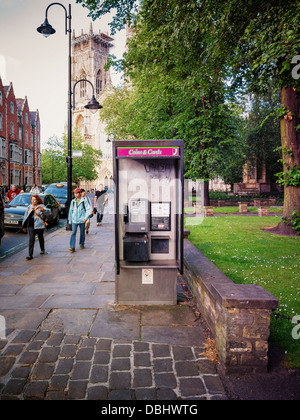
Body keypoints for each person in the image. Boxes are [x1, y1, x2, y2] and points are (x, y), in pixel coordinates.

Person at [22, 194, 50, 261]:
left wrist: (43, 210)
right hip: (31, 226)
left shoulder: (41, 207)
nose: (33, 201)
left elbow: (49, 212)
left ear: (37, 201)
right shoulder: (29, 207)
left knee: (40, 237)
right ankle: (30, 255)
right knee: (31, 240)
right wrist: (24, 226)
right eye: (32, 200)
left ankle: (42, 249)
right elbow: (25, 217)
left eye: (35, 200)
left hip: (39, 225)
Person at [68, 188, 91, 252]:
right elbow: (71, 211)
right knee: (73, 232)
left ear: (80, 193)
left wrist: (86, 218)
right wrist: (70, 220)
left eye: (76, 193)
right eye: (74, 193)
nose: (75, 194)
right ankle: (72, 246)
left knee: (82, 233)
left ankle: (81, 244)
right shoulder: (73, 201)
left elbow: (88, 209)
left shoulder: (84, 200)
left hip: (82, 219)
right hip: (74, 220)